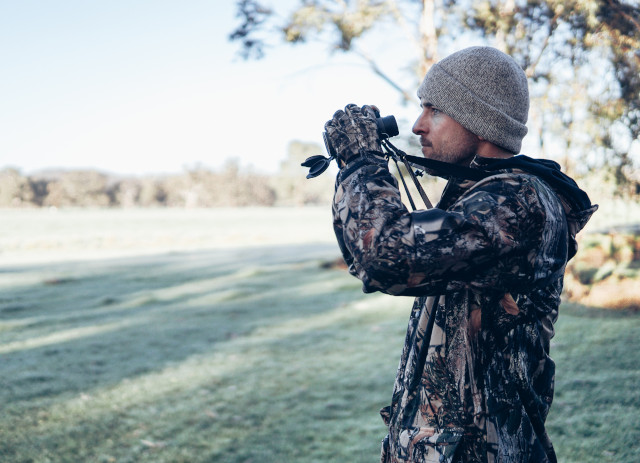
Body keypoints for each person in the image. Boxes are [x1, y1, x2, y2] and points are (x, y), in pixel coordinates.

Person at [323, 46, 597, 463]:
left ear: (479, 120)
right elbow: (370, 257)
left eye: (434, 110)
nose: (416, 126)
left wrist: (361, 161)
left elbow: (386, 256)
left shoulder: (518, 202)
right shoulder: (481, 195)